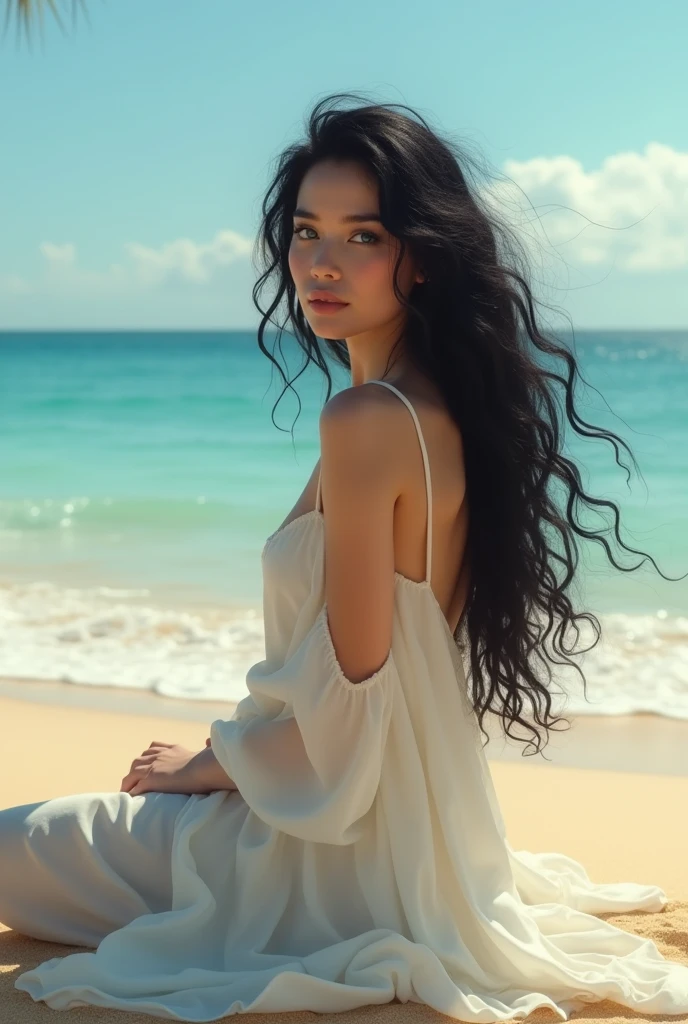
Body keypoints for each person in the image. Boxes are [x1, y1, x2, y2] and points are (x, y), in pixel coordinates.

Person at [2, 91, 687, 1020]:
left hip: (319, 853)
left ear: (423, 257)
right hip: (402, 835)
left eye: (363, 236)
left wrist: (211, 760)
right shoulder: (439, 404)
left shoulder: (366, 420)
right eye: (306, 231)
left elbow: (345, 724)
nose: (321, 262)